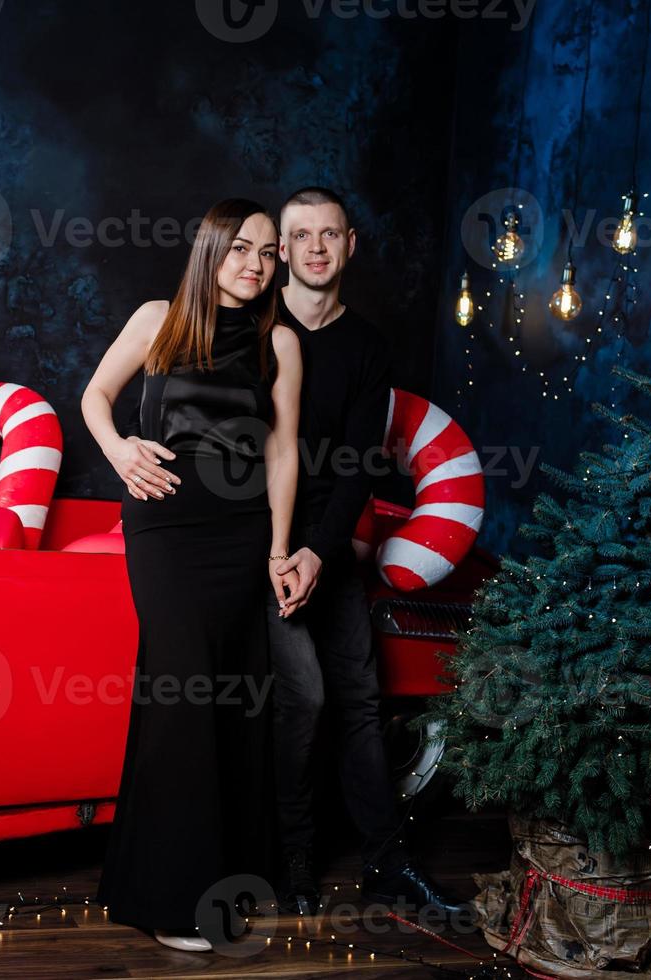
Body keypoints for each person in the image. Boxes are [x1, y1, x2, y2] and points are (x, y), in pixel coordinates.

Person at [82, 198, 303, 952]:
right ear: (211, 250)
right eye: (242, 248)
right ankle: (172, 900)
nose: (255, 263)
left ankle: (215, 886)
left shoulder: (279, 341)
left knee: (230, 702)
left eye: (268, 253)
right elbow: (94, 398)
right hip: (166, 527)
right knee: (180, 697)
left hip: (240, 538)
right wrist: (118, 450)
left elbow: (282, 454)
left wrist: (277, 552)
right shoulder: (158, 319)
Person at [265, 187, 467, 918]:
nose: (316, 248)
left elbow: (356, 462)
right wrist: (282, 551)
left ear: (350, 246)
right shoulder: (253, 324)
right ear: (281, 250)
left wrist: (321, 553)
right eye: (301, 236)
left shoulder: (369, 345)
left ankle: (387, 865)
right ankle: (290, 861)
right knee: (299, 700)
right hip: (258, 539)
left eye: (330, 235)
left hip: (328, 539)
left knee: (357, 702)